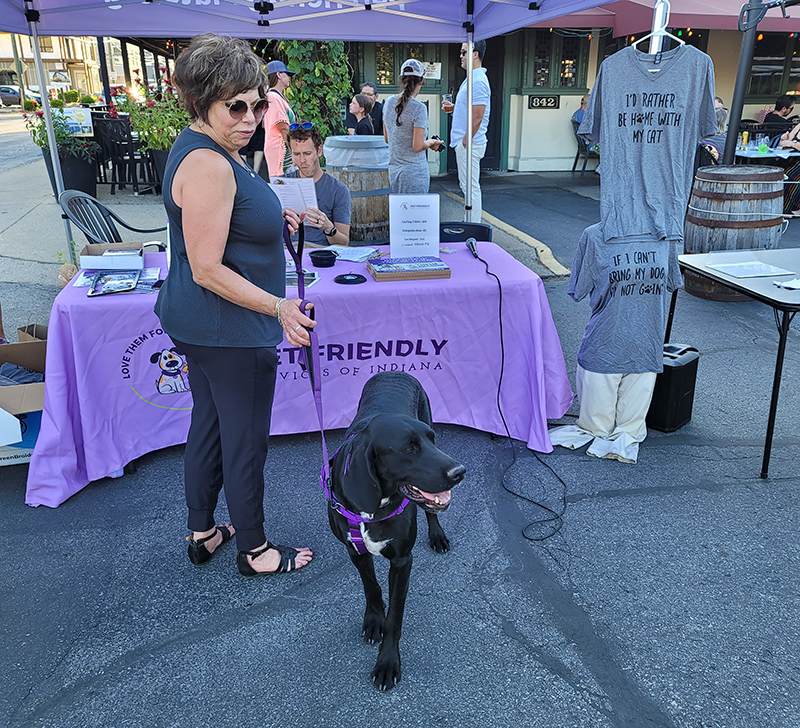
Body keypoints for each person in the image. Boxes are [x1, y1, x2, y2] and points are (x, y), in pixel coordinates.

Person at [154, 34, 314, 577]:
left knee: (211, 425)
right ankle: (256, 550)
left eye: (258, 104)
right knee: (244, 441)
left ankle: (203, 532)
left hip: (201, 325)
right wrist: (280, 308)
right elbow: (206, 266)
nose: (250, 118)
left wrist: (273, 225)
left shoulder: (212, 149)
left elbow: (227, 227)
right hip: (228, 329)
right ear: (201, 103)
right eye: (236, 106)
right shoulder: (210, 164)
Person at [443, 40, 491, 222]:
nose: (460, 56)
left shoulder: (478, 81)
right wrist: (455, 108)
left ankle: (473, 225)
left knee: (470, 187)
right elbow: (472, 110)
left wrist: (466, 140)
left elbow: (478, 115)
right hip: (467, 141)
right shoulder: (473, 79)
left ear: (475, 54)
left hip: (470, 143)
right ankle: (469, 221)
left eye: (464, 52)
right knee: (468, 186)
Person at [283, 122, 352, 246]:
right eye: (296, 154)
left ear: (319, 151)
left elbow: (344, 242)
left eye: (307, 154)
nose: (302, 160)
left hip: (318, 251)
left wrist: (328, 228)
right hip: (285, 250)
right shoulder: (282, 184)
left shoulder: (337, 190)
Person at [383, 58, 443, 194]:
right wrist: (432, 142)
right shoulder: (419, 108)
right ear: (421, 82)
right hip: (415, 173)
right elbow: (417, 146)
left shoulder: (388, 103)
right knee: (416, 215)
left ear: (401, 80)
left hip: (394, 172)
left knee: (399, 214)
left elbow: (387, 138)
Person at [263, 59, 296, 177]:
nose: (289, 78)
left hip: (280, 147)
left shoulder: (277, 97)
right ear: (278, 75)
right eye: (287, 74)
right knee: (283, 186)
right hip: (281, 150)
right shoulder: (273, 97)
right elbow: (283, 128)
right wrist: (294, 149)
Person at [777, 119, 800, 214]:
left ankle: (793, 209)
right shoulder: (798, 126)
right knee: (777, 171)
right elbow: (785, 142)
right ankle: (778, 206)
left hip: (796, 161)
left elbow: (792, 143)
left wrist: (793, 144)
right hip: (793, 159)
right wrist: (783, 139)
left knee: (792, 176)